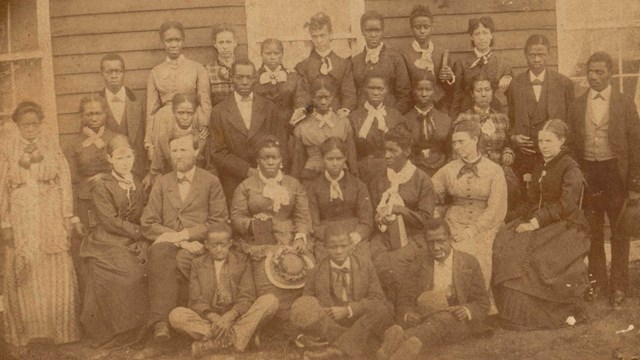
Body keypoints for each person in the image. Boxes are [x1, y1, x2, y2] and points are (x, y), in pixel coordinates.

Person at [137, 132, 228, 357]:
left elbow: (218, 221)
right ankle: (162, 325)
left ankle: (164, 332)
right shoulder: (162, 182)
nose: (178, 154)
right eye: (174, 150)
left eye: (183, 149)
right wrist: (178, 238)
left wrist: (187, 236)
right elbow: (148, 223)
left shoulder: (210, 181)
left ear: (196, 152)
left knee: (172, 263)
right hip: (169, 243)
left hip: (199, 244)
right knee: (158, 252)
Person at [493, 119, 590, 330]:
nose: (543, 145)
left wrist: (536, 222)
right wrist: (507, 218)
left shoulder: (570, 168)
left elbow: (567, 205)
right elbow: (532, 201)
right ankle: (510, 310)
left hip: (566, 225)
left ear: (561, 141)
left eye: (548, 141)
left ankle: (534, 313)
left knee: (529, 254)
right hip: (541, 220)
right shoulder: (541, 164)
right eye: (540, 141)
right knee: (504, 240)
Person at [0, 102, 81, 354]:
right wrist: (5, 223)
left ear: (41, 124)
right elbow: (2, 188)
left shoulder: (51, 148)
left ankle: (60, 332)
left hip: (49, 213)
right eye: (25, 124)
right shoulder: (7, 150)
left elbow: (64, 183)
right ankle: (30, 333)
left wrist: (66, 216)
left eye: (35, 123)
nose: (31, 128)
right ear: (18, 125)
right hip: (21, 214)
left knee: (53, 264)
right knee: (26, 268)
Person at [566, 51, 640, 307]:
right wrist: (577, 177)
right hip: (590, 175)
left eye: (600, 72)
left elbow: (635, 145)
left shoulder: (624, 103)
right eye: (590, 72)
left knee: (620, 232)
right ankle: (597, 284)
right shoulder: (577, 105)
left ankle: (619, 286)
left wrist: (634, 185)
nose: (594, 77)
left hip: (615, 175)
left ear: (610, 73)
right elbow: (573, 145)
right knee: (593, 232)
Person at [377, 219, 490, 360]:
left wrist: (467, 310)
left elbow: (483, 303)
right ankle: (403, 352)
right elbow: (404, 299)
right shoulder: (419, 264)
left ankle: (399, 339)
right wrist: (407, 314)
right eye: (431, 243)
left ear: (450, 239)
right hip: (425, 319)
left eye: (441, 241)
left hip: (457, 322)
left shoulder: (468, 262)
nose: (436, 247)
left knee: (445, 317)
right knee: (423, 331)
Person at [230, 136, 312, 328]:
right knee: (264, 275)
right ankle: (273, 320)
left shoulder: (293, 185)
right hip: (258, 242)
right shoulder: (246, 186)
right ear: (257, 160)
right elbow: (236, 217)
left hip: (289, 239)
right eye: (265, 158)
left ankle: (296, 318)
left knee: (300, 267)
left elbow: (302, 216)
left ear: (281, 159)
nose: (270, 162)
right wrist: (252, 224)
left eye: (274, 157)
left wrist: (300, 237)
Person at [168, 223, 279, 358]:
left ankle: (216, 343)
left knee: (270, 301)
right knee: (176, 315)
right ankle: (240, 338)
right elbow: (196, 299)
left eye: (223, 245)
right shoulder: (198, 264)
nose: (219, 249)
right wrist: (215, 319)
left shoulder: (242, 261)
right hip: (209, 320)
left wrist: (229, 317)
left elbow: (247, 296)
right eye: (214, 245)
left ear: (230, 243)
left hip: (237, 317)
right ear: (206, 244)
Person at [80, 135, 149, 347]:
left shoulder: (135, 182)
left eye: (128, 156)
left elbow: (141, 212)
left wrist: (146, 230)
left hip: (129, 237)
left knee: (145, 266)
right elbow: (109, 220)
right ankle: (120, 330)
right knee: (129, 274)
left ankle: (140, 329)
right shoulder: (102, 184)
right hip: (106, 239)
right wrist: (138, 232)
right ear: (110, 159)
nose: (125, 162)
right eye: (119, 158)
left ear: (134, 157)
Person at [430, 120, 507, 306]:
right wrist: (436, 213)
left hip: (485, 223)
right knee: (449, 250)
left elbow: (496, 208)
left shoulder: (494, 170)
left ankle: (476, 308)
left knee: (477, 253)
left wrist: (473, 230)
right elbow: (428, 191)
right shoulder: (448, 169)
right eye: (454, 142)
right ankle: (445, 304)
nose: (457, 147)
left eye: (461, 141)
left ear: (475, 139)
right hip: (454, 220)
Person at [290, 224, 392, 360]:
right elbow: (307, 304)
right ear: (325, 247)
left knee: (383, 309)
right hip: (332, 323)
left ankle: (336, 349)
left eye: (343, 246)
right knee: (310, 315)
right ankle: (363, 345)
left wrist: (349, 310)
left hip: (359, 318)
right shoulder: (314, 272)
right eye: (333, 247)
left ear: (351, 245)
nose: (339, 251)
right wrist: (324, 312)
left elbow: (377, 298)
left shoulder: (365, 265)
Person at [368, 124, 436, 302]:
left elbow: (426, 220)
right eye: (385, 150)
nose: (387, 155)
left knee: (395, 262)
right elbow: (372, 210)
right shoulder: (380, 178)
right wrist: (378, 217)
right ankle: (382, 306)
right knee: (372, 257)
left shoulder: (421, 179)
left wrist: (399, 209)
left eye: (393, 150)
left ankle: (402, 309)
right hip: (383, 235)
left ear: (406, 151)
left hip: (414, 236)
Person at [208, 59, 287, 201]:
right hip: (233, 179)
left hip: (269, 175)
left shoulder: (269, 108)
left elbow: (280, 143)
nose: (244, 82)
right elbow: (218, 152)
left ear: (255, 78)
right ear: (231, 78)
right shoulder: (219, 112)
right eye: (239, 77)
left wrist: (268, 169)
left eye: (249, 77)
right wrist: (246, 170)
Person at [507, 35, 575, 187]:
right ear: (525, 55)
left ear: (549, 55)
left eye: (541, 55)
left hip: (555, 156)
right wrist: (514, 138)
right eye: (532, 55)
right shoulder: (515, 85)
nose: (537, 59)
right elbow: (511, 120)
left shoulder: (564, 84)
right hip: (526, 155)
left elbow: (571, 122)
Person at [454, 72, 519, 216]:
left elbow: (508, 144)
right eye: (479, 90)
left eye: (487, 90)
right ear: (472, 94)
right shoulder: (464, 118)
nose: (484, 94)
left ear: (492, 92)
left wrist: (508, 153)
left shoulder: (502, 118)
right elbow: (457, 151)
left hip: (499, 168)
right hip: (474, 170)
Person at [145, 21, 211, 160]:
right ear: (163, 42)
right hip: (164, 123)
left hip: (191, 119)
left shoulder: (197, 68)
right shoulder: (155, 72)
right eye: (169, 40)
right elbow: (151, 110)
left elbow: (204, 101)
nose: (173, 44)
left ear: (183, 41)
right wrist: (149, 142)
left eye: (177, 40)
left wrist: (204, 125)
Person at [306, 137, 374, 260]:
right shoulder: (313, 188)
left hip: (353, 235)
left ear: (345, 158)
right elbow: (314, 224)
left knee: (359, 261)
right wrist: (331, 239)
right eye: (330, 159)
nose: (335, 163)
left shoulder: (358, 185)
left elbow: (367, 221)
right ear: (322, 159)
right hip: (326, 237)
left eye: (339, 158)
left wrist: (356, 236)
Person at [291, 75, 358, 183]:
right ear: (312, 98)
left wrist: (355, 179)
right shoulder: (302, 126)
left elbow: (351, 156)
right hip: (312, 176)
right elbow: (297, 161)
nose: (323, 102)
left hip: (340, 177)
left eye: (327, 97)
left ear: (333, 97)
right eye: (319, 98)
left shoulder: (343, 122)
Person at [294, 12, 357, 120]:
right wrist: (304, 110)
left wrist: (345, 108)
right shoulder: (303, 66)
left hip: (337, 116)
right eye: (315, 37)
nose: (319, 41)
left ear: (331, 34)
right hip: (312, 116)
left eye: (322, 35)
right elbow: (302, 94)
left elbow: (349, 93)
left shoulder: (344, 64)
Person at [98, 53, 149, 183]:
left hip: (137, 171)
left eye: (118, 71)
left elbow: (148, 137)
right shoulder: (95, 104)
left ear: (124, 73)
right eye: (109, 72)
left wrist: (149, 171)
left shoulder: (139, 102)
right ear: (102, 73)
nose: (114, 76)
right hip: (107, 174)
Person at [451, 16, 512, 118]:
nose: (481, 38)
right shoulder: (461, 63)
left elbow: (511, 94)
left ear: (491, 35)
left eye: (485, 33)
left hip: (495, 113)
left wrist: (508, 77)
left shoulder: (503, 64)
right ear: (471, 37)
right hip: (468, 113)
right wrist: (453, 118)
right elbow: (457, 94)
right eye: (477, 34)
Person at [350, 74, 407, 184]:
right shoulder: (354, 117)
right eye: (371, 88)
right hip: (364, 171)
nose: (376, 93)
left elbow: (404, 147)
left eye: (380, 89)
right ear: (364, 90)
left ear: (386, 90)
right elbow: (351, 151)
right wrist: (354, 174)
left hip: (390, 170)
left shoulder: (395, 116)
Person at [351, 11, 411, 113]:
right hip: (362, 118)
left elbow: (405, 95)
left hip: (389, 116)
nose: (373, 35)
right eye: (369, 30)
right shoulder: (355, 61)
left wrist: (393, 117)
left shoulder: (395, 59)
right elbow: (351, 95)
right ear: (362, 31)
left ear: (382, 31)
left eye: (377, 30)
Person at [399, 5, 455, 112]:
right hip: (414, 106)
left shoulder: (442, 53)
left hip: (439, 105)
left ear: (432, 27)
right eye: (418, 27)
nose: (422, 31)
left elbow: (448, 87)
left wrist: (449, 77)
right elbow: (404, 87)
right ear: (412, 28)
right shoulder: (404, 55)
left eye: (426, 27)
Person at [149, 93, 206, 183]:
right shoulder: (164, 139)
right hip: (171, 188)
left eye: (190, 113)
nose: (185, 117)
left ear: (195, 112)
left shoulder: (203, 137)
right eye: (180, 113)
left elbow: (211, 169)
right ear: (173, 111)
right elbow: (156, 172)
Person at [404, 72, 452, 176]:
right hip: (413, 167)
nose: (424, 94)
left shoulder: (445, 119)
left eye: (428, 90)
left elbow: (450, 150)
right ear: (413, 92)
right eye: (419, 89)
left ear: (434, 92)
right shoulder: (405, 120)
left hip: (441, 167)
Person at [253, 38, 301, 135]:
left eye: (276, 53)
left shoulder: (292, 77)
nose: (272, 57)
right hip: (262, 126)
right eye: (268, 53)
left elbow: (300, 97)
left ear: (282, 54)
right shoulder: (254, 78)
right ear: (261, 55)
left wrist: (298, 110)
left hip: (287, 126)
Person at [207, 24, 237, 107]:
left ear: (235, 43)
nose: (225, 47)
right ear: (215, 44)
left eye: (228, 42)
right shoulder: (207, 70)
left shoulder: (242, 67)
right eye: (221, 42)